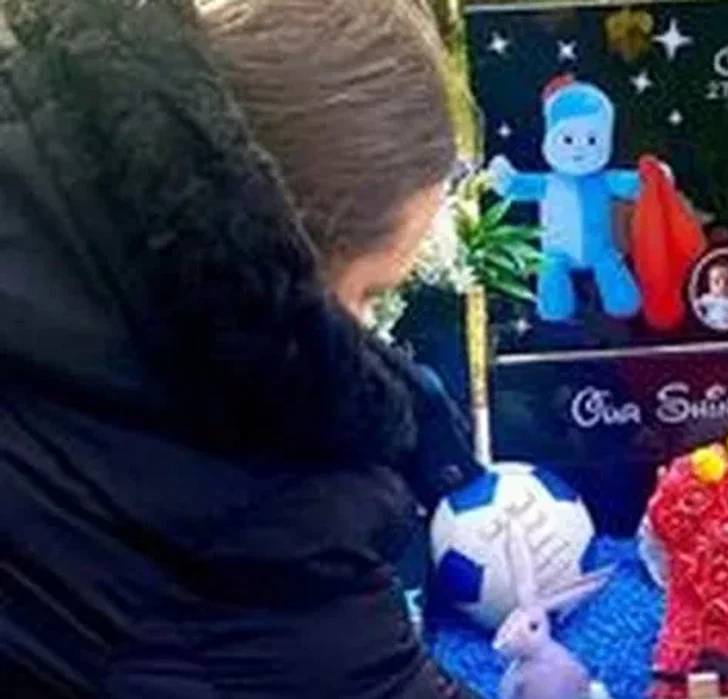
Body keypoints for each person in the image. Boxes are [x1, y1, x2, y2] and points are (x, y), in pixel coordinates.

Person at [0, 0, 483, 696]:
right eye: (369, 294)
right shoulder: (273, 522)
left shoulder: (36, 148)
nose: (368, 336)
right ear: (288, 248)